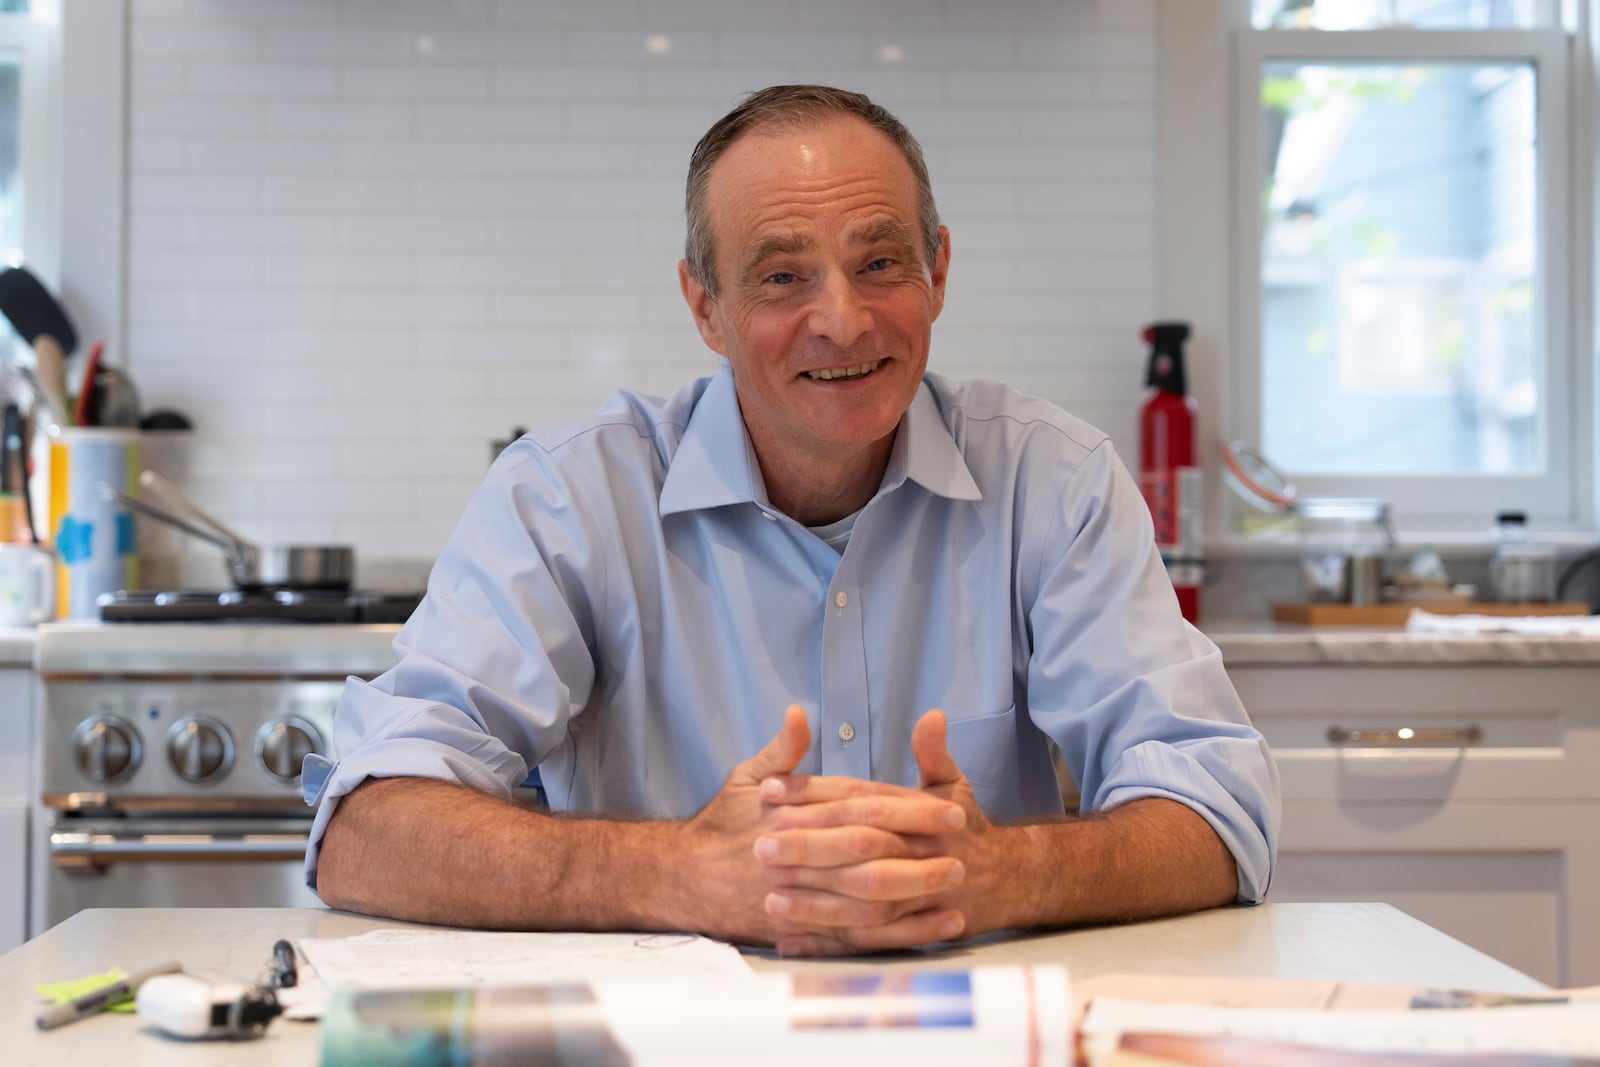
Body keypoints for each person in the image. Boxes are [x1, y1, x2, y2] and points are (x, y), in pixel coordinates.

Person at [307, 84, 1279, 957]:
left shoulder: (1052, 481)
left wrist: (1008, 871)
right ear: (705, 306)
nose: (844, 320)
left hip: (964, 1032)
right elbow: (367, 828)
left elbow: (1218, 806)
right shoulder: (566, 497)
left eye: (881, 261)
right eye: (781, 277)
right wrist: (676, 872)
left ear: (937, 269)